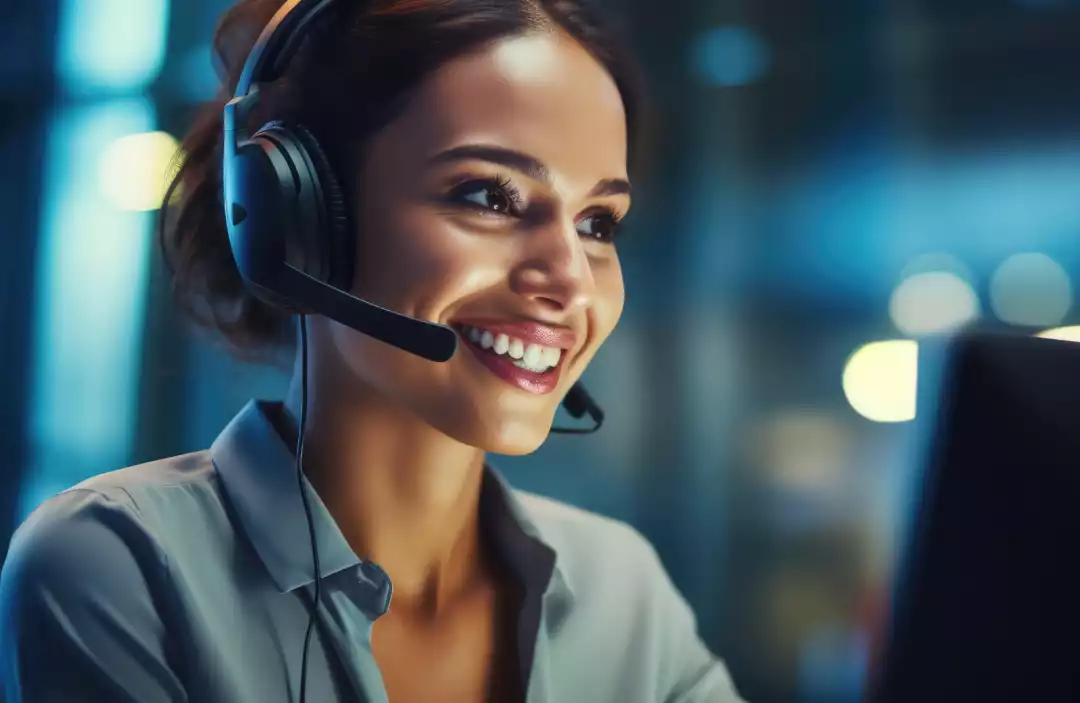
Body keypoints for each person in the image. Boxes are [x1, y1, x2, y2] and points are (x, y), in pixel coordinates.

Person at [0, 0, 745, 701]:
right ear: (303, 218)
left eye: (597, 223)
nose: (569, 283)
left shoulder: (623, 589)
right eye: (489, 196)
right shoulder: (123, 563)